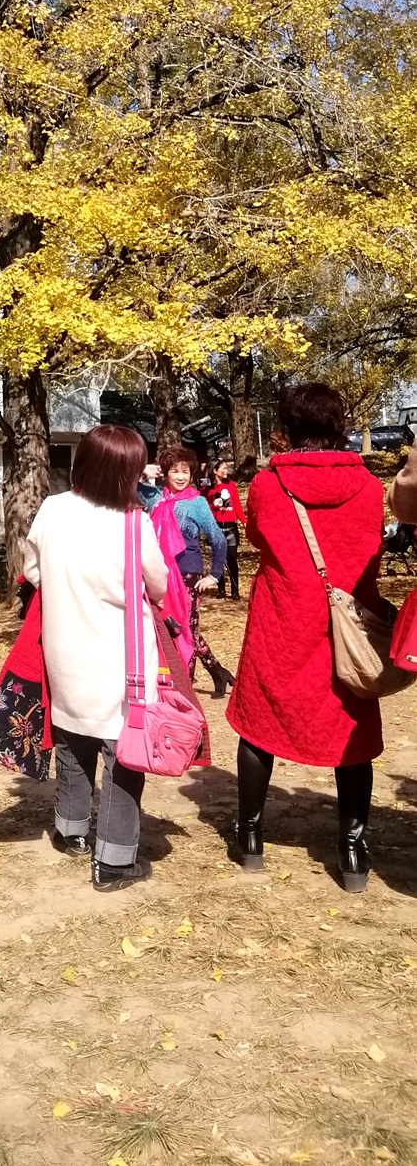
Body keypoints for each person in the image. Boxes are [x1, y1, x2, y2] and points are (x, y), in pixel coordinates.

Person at [227, 382, 385, 891]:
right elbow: (371, 553)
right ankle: (353, 852)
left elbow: (258, 537)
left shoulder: (267, 485)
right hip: (347, 628)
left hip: (281, 620)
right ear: (339, 427)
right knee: (351, 729)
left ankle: (251, 838)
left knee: (259, 725)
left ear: (289, 427)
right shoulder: (370, 488)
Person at [23, 424, 170, 891]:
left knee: (72, 741)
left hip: (65, 651)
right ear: (129, 473)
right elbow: (159, 586)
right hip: (120, 663)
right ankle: (114, 862)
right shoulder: (133, 523)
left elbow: (32, 570)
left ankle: (70, 831)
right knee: (123, 756)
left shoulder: (53, 509)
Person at [145, 446, 233, 696]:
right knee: (171, 627)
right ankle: (218, 671)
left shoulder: (197, 503)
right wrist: (142, 470)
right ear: (165, 473)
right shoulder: (154, 497)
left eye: (186, 472)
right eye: (175, 471)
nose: (181, 477)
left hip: (188, 576)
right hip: (158, 575)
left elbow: (218, 539)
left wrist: (214, 575)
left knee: (184, 630)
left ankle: (186, 688)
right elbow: (123, 483)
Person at [206, 459, 247, 599]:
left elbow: (237, 505)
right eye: (223, 468)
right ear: (215, 471)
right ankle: (221, 589)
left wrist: (244, 522)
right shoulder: (207, 489)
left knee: (231, 558)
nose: (226, 471)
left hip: (231, 527)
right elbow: (206, 508)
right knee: (219, 559)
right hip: (216, 527)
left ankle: (235, 591)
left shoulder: (231, 485)